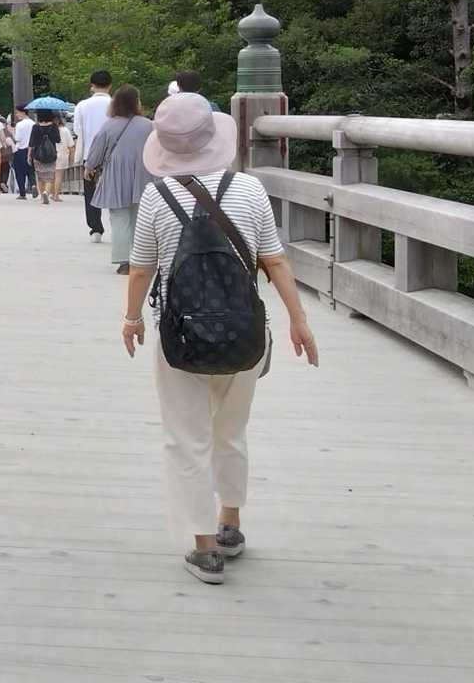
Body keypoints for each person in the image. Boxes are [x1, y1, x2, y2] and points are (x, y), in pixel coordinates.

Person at [120, 92, 319, 585]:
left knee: (186, 437)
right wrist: (298, 320)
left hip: (180, 336)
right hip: (243, 332)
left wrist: (132, 319)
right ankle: (230, 523)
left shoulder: (156, 197)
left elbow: (141, 269)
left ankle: (205, 548)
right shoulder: (249, 189)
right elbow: (275, 260)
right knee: (231, 429)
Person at [82, 85, 153, 273]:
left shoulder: (109, 125)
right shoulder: (148, 125)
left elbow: (96, 152)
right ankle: (140, 257)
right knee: (139, 218)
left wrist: (89, 168)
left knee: (119, 218)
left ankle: (123, 260)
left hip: (116, 175)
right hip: (143, 174)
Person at [76, 71, 114, 239]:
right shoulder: (115, 104)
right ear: (110, 85)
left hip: (89, 155)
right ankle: (117, 224)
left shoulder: (82, 105)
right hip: (112, 155)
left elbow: (77, 130)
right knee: (114, 189)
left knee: (91, 192)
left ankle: (96, 228)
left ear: (92, 85)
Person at [28, 111, 63, 205]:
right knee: (50, 176)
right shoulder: (54, 126)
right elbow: (58, 140)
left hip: (38, 154)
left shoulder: (35, 127)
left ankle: (41, 195)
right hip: (51, 154)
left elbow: (31, 142)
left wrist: (29, 155)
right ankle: (46, 193)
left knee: (40, 176)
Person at [11, 109, 36, 200]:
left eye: (17, 113)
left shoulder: (19, 125)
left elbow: (17, 138)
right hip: (31, 149)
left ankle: (22, 193)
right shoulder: (33, 123)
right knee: (30, 170)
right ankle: (33, 185)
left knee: (20, 172)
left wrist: (12, 131)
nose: (16, 115)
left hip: (20, 149)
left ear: (23, 112)